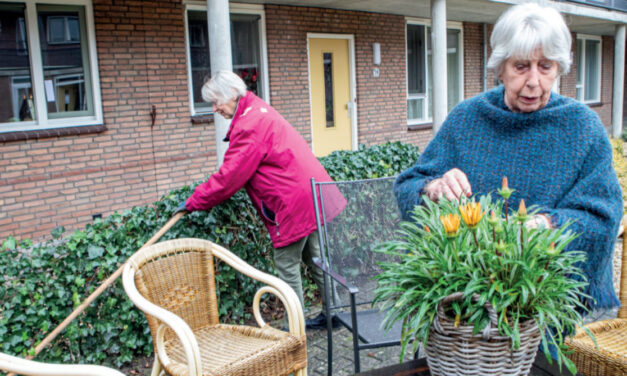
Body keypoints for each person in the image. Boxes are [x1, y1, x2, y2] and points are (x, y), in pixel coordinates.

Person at [395, 3, 622, 312]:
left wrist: (543, 227)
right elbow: (408, 186)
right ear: (500, 67)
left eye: (545, 66)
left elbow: (602, 219)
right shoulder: (468, 118)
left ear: (559, 69)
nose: (533, 81)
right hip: (472, 305)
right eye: (521, 66)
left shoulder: (582, 127)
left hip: (560, 309)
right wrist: (433, 189)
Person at [177, 70, 345, 329]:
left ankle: (294, 330)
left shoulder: (248, 125)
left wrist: (193, 201)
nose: (214, 109)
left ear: (233, 94)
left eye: (216, 102)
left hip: (293, 201)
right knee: (316, 258)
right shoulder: (257, 109)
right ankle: (335, 314)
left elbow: (228, 178)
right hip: (312, 193)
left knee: (287, 265)